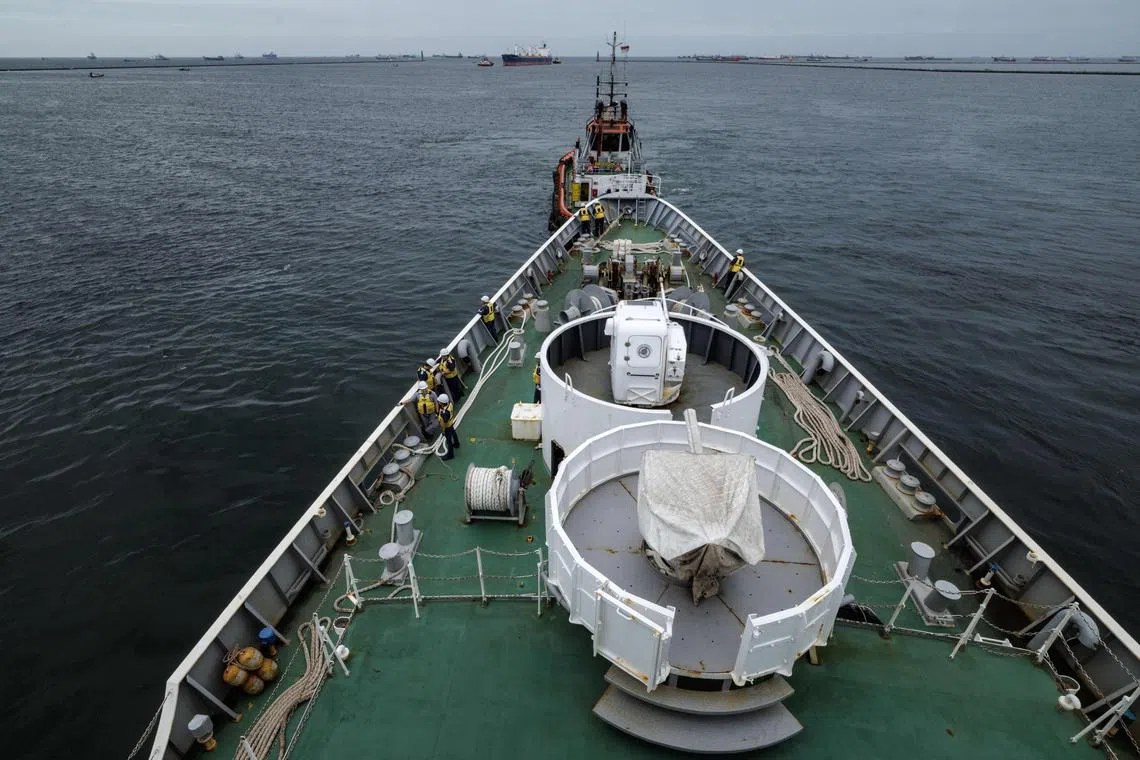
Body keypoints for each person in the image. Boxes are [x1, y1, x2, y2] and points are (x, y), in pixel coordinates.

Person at [437, 394, 459, 460]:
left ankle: (450, 455)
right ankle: (456, 444)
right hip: (451, 423)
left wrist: (441, 414)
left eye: (439, 401)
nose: (439, 402)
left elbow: (445, 421)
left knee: (449, 441)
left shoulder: (444, 412)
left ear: (442, 403)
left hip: (447, 427)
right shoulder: (450, 404)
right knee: (453, 432)